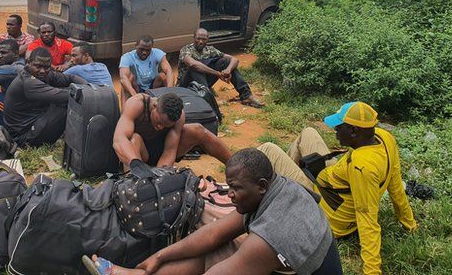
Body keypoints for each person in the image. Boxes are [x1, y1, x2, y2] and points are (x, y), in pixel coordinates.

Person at [86, 148, 342, 275]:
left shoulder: (270, 237)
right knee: (216, 249)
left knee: (221, 260)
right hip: (293, 259)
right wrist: (160, 257)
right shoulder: (272, 190)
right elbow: (213, 234)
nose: (228, 194)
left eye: (235, 188)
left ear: (261, 186)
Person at [257, 101, 418, 275]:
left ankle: (262, 192)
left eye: (339, 127)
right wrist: (409, 223)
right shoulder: (384, 138)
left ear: (354, 131)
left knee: (268, 149)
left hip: (324, 211)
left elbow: (367, 218)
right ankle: (286, 191)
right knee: (309, 132)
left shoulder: (362, 168)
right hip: (330, 181)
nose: (335, 131)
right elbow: (396, 186)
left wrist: (372, 271)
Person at [113, 92, 231, 170]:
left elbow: (169, 151)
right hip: (139, 155)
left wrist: (160, 176)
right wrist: (136, 165)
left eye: (165, 126)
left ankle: (236, 166)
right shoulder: (137, 104)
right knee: (134, 139)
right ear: (154, 106)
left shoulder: (179, 116)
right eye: (158, 121)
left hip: (161, 150)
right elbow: (119, 139)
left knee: (197, 130)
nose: (160, 127)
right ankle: (132, 182)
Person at [3, 47, 86, 147]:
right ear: (28, 62)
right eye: (38, 66)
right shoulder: (28, 82)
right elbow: (65, 96)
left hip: (33, 123)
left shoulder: (43, 74)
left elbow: (71, 77)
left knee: (70, 93)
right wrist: (89, 92)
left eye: (46, 67)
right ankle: (77, 142)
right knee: (68, 102)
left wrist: (88, 86)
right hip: (22, 138)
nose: (42, 71)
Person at [178, 28, 263, 108]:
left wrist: (227, 70)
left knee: (225, 61)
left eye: (204, 39)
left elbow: (234, 59)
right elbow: (192, 64)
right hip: (187, 84)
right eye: (198, 39)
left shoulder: (210, 50)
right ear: (193, 38)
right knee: (196, 67)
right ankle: (209, 102)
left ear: (207, 40)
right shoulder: (186, 50)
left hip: (203, 83)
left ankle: (246, 95)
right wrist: (217, 74)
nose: (200, 42)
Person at [119, 35, 173, 106]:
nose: (144, 52)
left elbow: (169, 71)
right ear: (136, 46)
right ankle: (124, 113)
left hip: (153, 86)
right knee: (127, 80)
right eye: (141, 49)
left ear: (151, 48)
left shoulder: (157, 53)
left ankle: (168, 103)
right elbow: (123, 78)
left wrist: (170, 90)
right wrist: (135, 96)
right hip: (137, 87)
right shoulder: (127, 57)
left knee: (163, 76)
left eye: (148, 50)